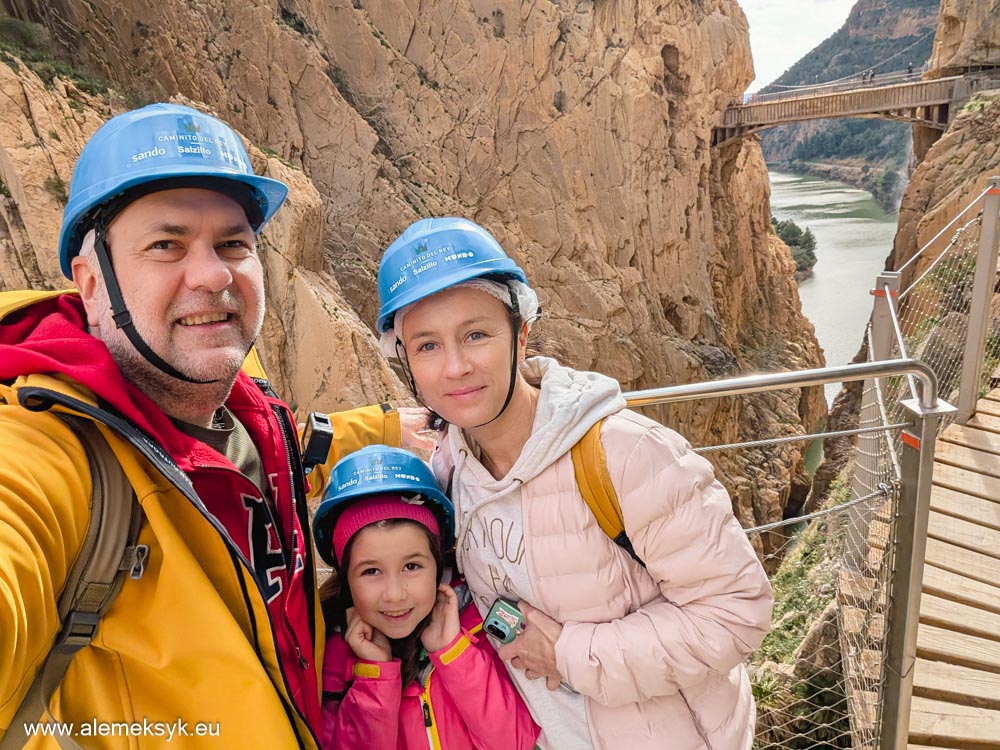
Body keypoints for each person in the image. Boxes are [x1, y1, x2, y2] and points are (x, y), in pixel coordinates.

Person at [0, 103, 416, 748]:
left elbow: (280, 449)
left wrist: (393, 429)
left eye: (232, 244)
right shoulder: (51, 447)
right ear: (92, 284)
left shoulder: (237, 398)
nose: (214, 274)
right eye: (165, 245)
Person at [373, 217, 775, 749]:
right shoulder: (449, 470)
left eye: (476, 335)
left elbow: (737, 612)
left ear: (521, 333)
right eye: (427, 346)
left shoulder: (626, 454)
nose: (455, 367)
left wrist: (568, 655)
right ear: (405, 361)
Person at [312, 445, 539, 749]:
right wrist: (374, 677)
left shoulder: (478, 626)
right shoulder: (330, 656)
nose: (395, 595)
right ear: (345, 577)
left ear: (438, 563)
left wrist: (453, 652)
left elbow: (513, 742)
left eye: (412, 566)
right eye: (371, 571)